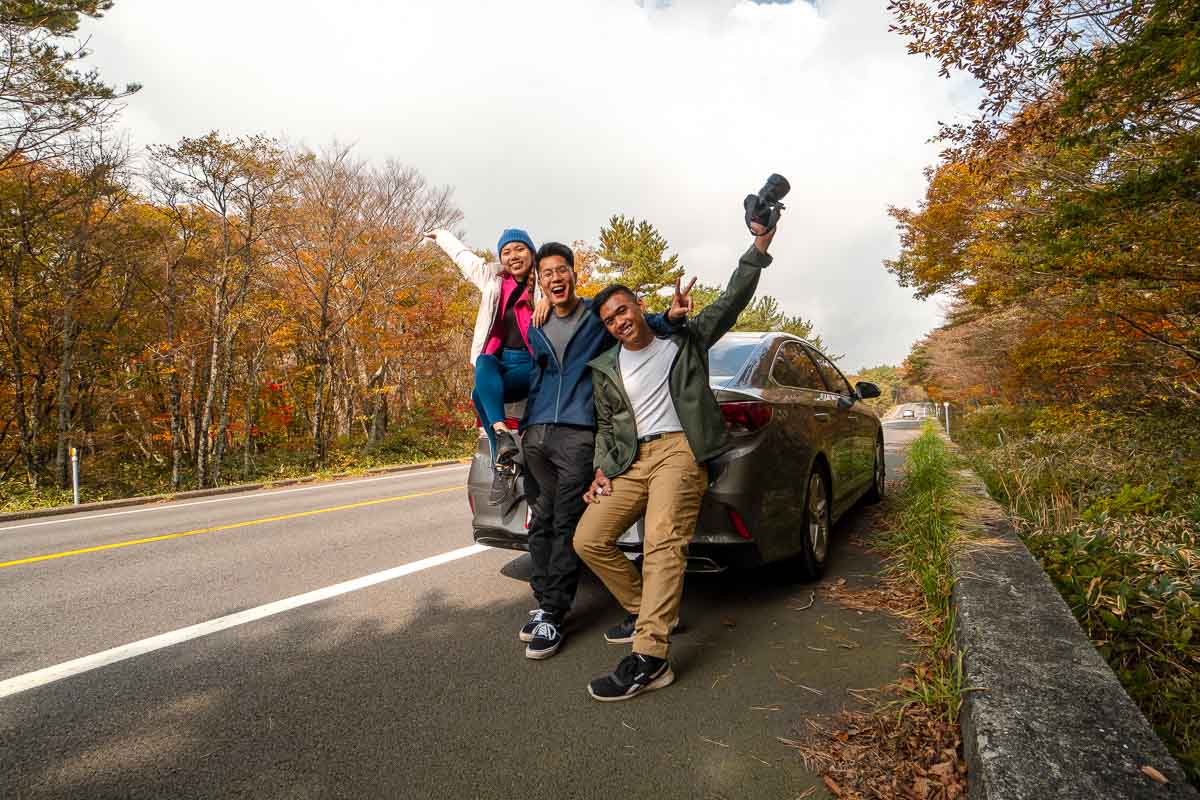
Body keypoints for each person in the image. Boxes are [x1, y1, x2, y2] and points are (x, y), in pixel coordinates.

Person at [573, 219, 778, 701]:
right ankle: (651, 612)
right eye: (609, 319)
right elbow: (607, 425)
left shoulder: (684, 340)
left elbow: (733, 300)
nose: (620, 321)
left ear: (639, 307)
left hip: (680, 452)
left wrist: (759, 246)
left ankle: (651, 657)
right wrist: (602, 469)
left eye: (624, 309)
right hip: (631, 461)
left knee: (663, 544)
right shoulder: (605, 368)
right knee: (589, 539)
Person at [517, 241, 691, 659]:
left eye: (562, 270)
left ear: (575, 274)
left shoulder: (596, 316)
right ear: (540, 282)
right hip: (537, 433)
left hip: (577, 432)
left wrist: (668, 316)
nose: (555, 278)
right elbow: (532, 373)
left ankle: (554, 615)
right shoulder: (536, 325)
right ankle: (544, 603)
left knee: (566, 524)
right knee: (539, 522)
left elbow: (638, 322)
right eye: (547, 274)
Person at [423, 227, 548, 505]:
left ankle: (503, 468)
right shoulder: (492, 278)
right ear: (501, 257)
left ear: (531, 252)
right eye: (506, 252)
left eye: (519, 249)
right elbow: (463, 257)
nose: (513, 256)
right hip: (499, 363)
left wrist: (548, 299)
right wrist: (441, 235)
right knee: (482, 363)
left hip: (531, 365)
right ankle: (503, 438)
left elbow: (567, 288)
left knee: (480, 394)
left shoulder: (543, 282)